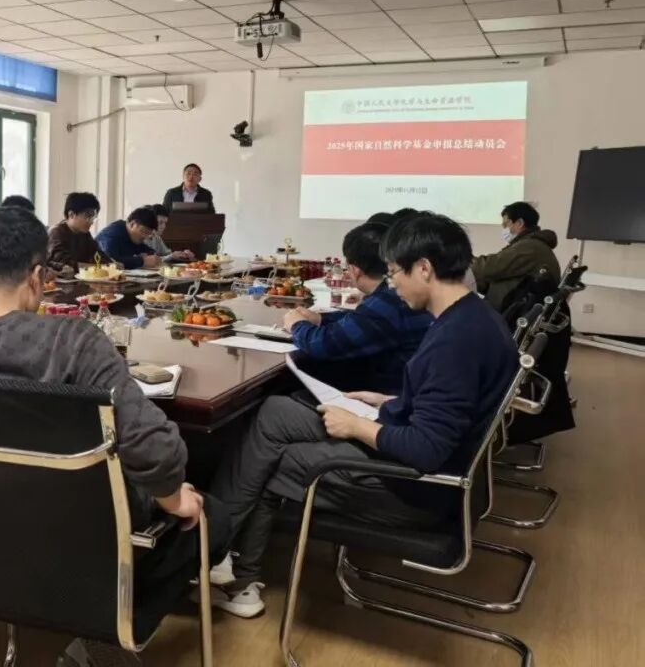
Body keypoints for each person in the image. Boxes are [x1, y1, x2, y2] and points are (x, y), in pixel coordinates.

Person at [0, 206, 228, 659]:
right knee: (214, 517)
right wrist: (174, 497)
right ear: (38, 277)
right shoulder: (73, 342)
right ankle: (107, 621)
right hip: (89, 528)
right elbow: (153, 448)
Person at [206, 212, 517, 618]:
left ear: (424, 268)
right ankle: (217, 551)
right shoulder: (473, 316)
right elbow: (442, 405)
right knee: (275, 411)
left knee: (274, 460)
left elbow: (426, 449)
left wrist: (357, 425)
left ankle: (236, 579)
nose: (391, 285)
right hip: (404, 435)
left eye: (394, 273)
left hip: (414, 487)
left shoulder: (455, 342)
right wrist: (385, 401)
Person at [282, 222, 433, 394]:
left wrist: (296, 325)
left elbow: (323, 345)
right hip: (406, 389)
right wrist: (321, 319)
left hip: (386, 397)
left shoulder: (388, 301)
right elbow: (363, 320)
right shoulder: (397, 295)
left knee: (280, 397)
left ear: (354, 269)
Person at [471, 201, 560, 313]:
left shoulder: (529, 247)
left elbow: (489, 267)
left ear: (519, 223)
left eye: (506, 224)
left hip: (511, 310)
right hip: (516, 303)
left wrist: (462, 259)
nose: (504, 229)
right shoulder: (533, 244)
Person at [46, 192, 106, 275]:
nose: (91, 222)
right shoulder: (56, 232)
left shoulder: (85, 234)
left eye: (93, 217)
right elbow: (65, 263)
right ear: (71, 214)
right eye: (88, 216)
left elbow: (97, 254)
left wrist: (112, 264)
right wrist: (99, 268)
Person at [96, 207, 162, 270]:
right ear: (132, 224)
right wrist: (142, 261)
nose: (146, 237)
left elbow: (148, 251)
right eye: (144, 232)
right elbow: (111, 261)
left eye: (148, 234)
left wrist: (151, 255)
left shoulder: (134, 237)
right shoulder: (112, 234)